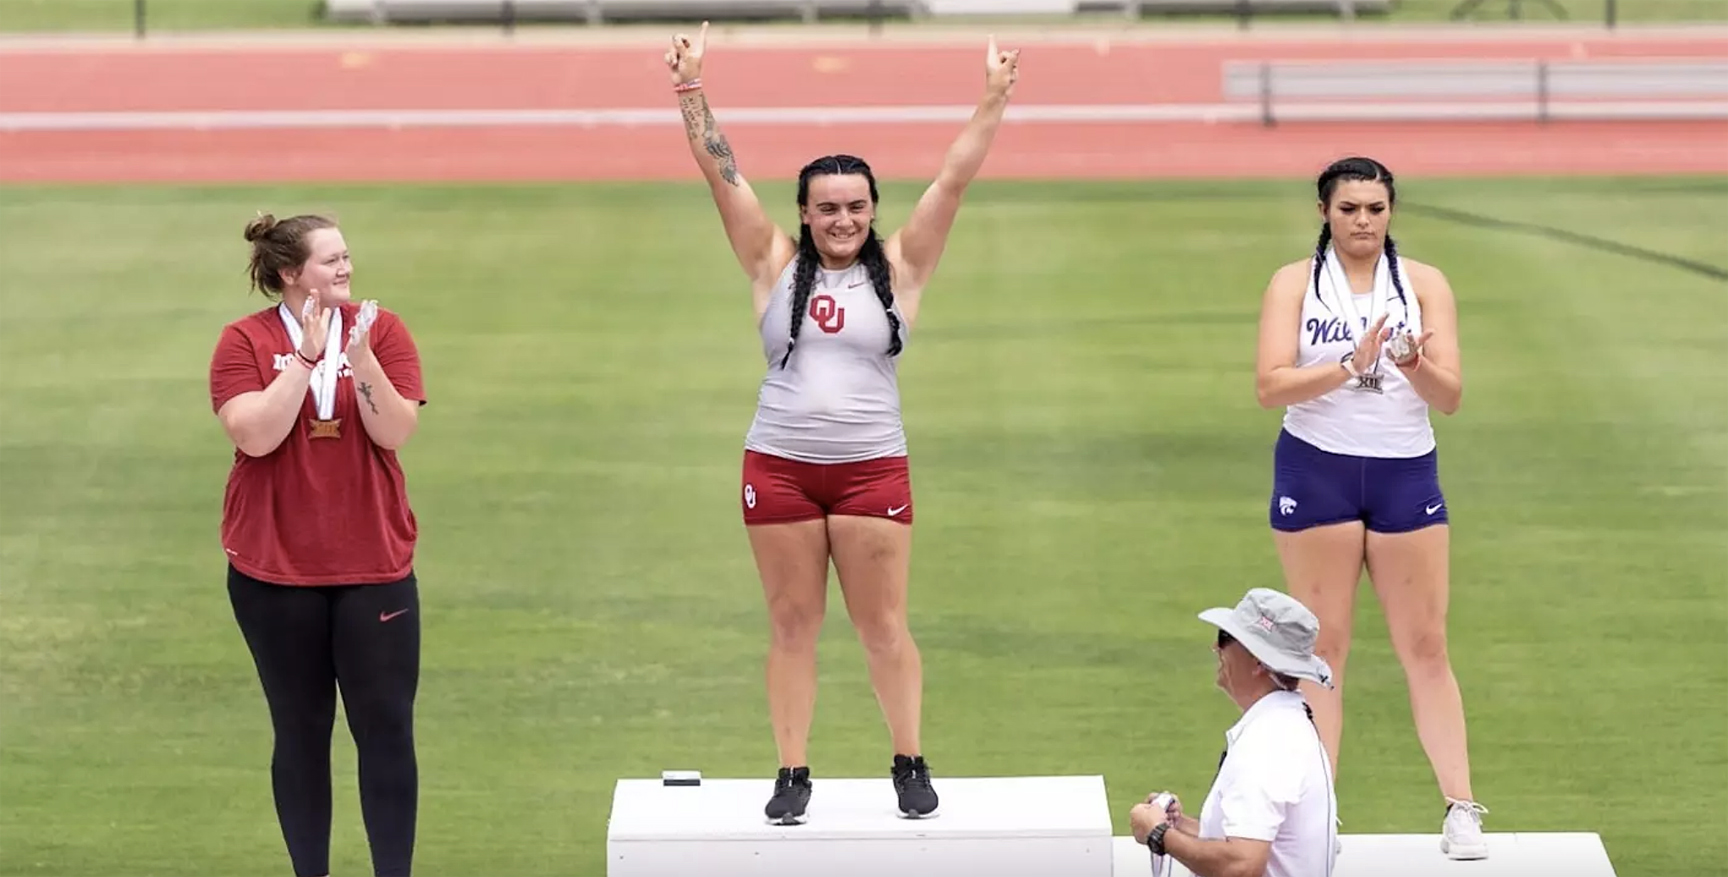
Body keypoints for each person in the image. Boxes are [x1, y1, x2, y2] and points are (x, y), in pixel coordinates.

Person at [663, 22, 1020, 825]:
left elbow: (952, 182)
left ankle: (908, 758)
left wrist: (993, 97)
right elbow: (721, 175)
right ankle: (792, 770)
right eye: (827, 207)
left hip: (870, 470)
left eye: (856, 205)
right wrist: (690, 90)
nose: (842, 218)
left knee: (883, 625)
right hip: (780, 466)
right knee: (792, 625)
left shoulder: (901, 268)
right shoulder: (771, 261)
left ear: (871, 209)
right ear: (804, 211)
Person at [1252, 156, 1488, 859]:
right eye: (1349, 208)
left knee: (1426, 643)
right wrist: (1348, 366)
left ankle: (1461, 806)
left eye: (1375, 209)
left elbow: (1449, 397)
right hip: (1317, 467)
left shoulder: (1425, 285)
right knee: (1323, 648)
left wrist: (1412, 361)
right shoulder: (1294, 283)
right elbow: (1270, 385)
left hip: (1404, 470)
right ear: (1324, 211)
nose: (1363, 220)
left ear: (1391, 213)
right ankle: (1320, 812)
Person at [209, 212, 428, 877]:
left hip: (373, 563)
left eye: (346, 257)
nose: (345, 269)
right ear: (289, 272)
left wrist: (359, 360)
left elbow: (394, 431)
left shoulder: (381, 329)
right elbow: (255, 436)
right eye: (330, 260)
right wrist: (305, 359)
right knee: (301, 731)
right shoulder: (244, 341)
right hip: (275, 568)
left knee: (385, 727)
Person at [1129, 588, 1339, 877]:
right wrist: (1182, 826)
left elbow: (1242, 864)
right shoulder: (1284, 727)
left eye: (1226, 639)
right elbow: (1256, 841)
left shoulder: (1268, 742)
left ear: (1257, 662)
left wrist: (1159, 834)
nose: (1216, 648)